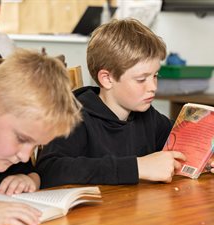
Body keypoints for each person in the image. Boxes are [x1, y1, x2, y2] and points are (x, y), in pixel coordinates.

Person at [36, 18, 191, 188]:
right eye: (141, 79)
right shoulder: (73, 117)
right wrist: (137, 167)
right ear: (107, 79)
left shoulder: (148, 116)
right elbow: (49, 171)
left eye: (155, 76)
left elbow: (183, 142)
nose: (153, 87)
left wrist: (207, 154)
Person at [0, 48, 82, 225]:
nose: (25, 156)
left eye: (36, 146)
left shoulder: (12, 156)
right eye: (22, 139)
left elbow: (32, 173)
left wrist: (30, 180)